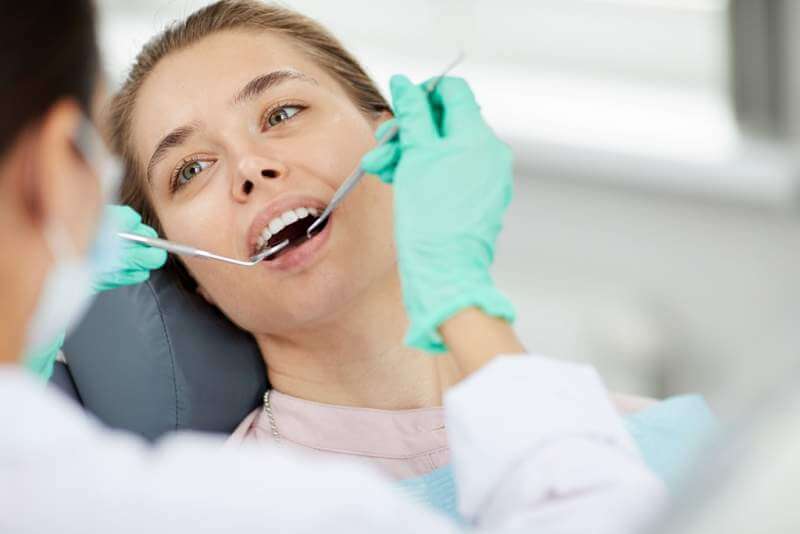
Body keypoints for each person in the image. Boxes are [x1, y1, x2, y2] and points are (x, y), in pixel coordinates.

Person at [1, 1, 669, 532]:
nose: (251, 169)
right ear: (189, 275)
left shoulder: (671, 433)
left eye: (282, 112)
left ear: (393, 136)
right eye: (191, 170)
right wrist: (463, 297)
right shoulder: (242, 510)